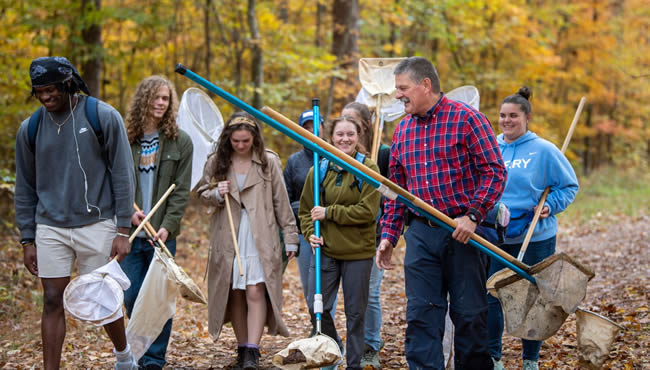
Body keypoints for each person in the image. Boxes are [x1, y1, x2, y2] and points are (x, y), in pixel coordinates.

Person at [376, 56, 506, 369]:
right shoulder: (403, 131)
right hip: (421, 234)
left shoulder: (467, 119)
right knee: (421, 314)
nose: (398, 95)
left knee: (469, 315)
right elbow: (396, 191)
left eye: (403, 88)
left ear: (426, 85)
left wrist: (473, 216)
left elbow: (494, 172)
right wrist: (388, 236)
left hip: (462, 233)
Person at [14, 56, 136, 369]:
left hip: (97, 222)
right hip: (50, 226)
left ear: (69, 84)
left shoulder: (102, 116)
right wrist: (28, 238)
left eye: (51, 89)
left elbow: (123, 174)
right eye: (39, 91)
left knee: (102, 297)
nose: (45, 96)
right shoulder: (30, 129)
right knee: (52, 298)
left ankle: (124, 357)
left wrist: (123, 230)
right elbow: (25, 186)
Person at [196, 112, 298, 370]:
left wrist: (290, 238)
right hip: (229, 235)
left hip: (259, 235)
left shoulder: (268, 161)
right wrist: (216, 193)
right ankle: (242, 348)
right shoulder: (216, 161)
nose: (240, 146)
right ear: (228, 139)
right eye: (235, 141)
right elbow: (201, 193)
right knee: (236, 292)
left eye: (245, 141)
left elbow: (281, 201)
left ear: (255, 138)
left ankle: (253, 350)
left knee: (255, 290)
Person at [488, 87, 579, 370]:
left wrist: (550, 205)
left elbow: (569, 186)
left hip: (536, 234)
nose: (506, 120)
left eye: (513, 115)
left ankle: (530, 359)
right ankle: (494, 357)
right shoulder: (492, 147)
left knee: (533, 296)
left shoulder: (545, 150)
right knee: (493, 292)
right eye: (502, 115)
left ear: (526, 117)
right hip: (496, 233)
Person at [120, 75, 193, 369]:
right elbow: (114, 183)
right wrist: (126, 213)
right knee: (132, 294)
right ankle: (136, 351)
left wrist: (169, 226)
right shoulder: (125, 140)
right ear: (144, 100)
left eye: (166, 99)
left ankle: (153, 360)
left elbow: (181, 190)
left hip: (161, 234)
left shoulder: (180, 142)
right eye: (156, 97)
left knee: (159, 299)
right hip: (130, 231)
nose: (161, 103)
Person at [299, 115, 381, 369]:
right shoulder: (318, 168)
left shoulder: (368, 169)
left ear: (358, 137)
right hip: (326, 251)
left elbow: (368, 212)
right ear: (331, 137)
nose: (345, 139)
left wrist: (329, 212)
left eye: (350, 134)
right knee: (317, 309)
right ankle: (335, 348)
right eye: (339, 134)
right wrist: (309, 233)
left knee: (356, 314)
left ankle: (354, 364)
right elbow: (305, 211)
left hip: (358, 253)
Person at [341, 102, 389, 369]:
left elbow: (394, 196)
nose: (348, 126)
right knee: (351, 296)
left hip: (375, 232)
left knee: (369, 292)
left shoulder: (382, 154)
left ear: (366, 125)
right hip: (346, 234)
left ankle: (371, 345)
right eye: (343, 120)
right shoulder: (339, 154)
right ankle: (349, 345)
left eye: (353, 121)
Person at [282, 109, 327, 314]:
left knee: (326, 286)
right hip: (305, 232)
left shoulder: (334, 157)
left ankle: (327, 332)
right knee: (310, 288)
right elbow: (284, 199)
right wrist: (305, 209)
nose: (311, 131)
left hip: (332, 230)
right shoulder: (294, 162)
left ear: (323, 128)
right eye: (306, 128)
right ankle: (314, 326)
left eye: (315, 126)